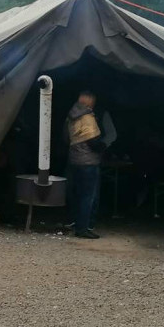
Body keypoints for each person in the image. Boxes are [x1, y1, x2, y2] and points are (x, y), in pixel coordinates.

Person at [66, 91, 106, 240]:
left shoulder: (71, 116)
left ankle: (75, 223)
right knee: (88, 196)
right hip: (89, 161)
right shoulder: (87, 117)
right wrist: (103, 147)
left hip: (74, 159)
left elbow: (65, 137)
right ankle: (83, 228)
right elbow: (93, 141)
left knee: (77, 194)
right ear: (90, 102)